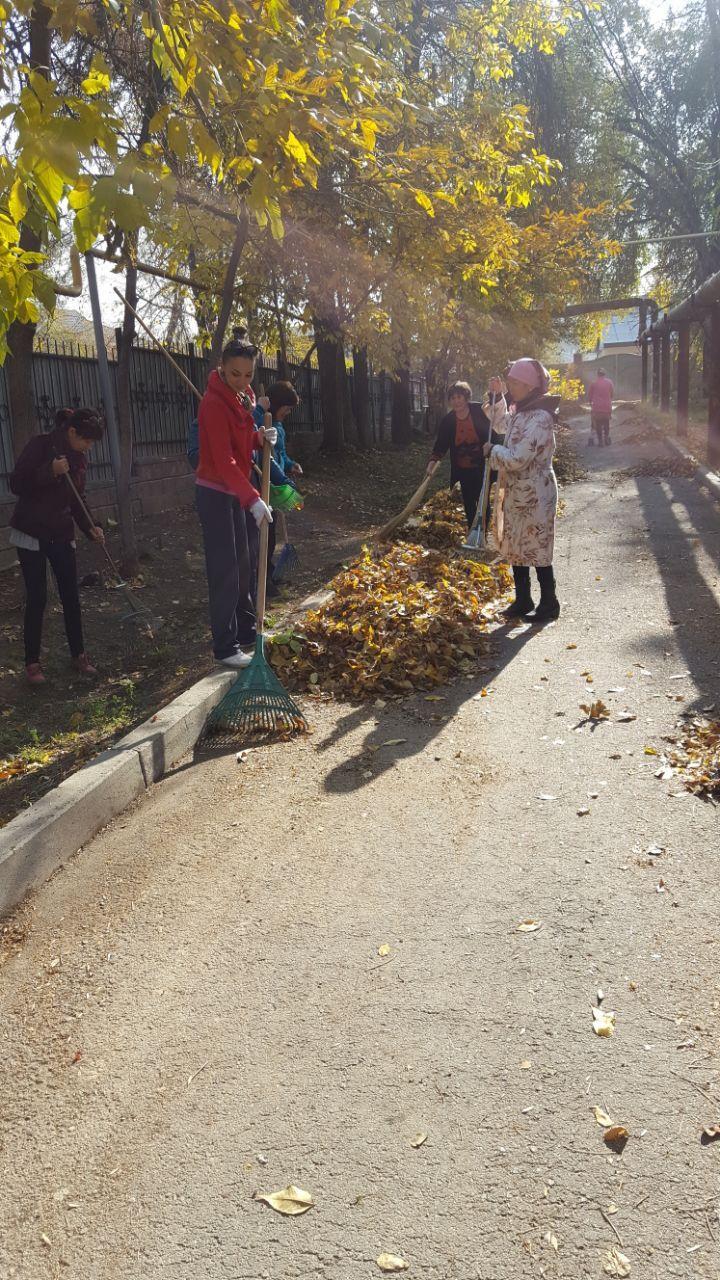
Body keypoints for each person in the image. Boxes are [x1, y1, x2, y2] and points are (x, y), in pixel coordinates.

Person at [195, 336, 277, 668]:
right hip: (215, 492)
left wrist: (259, 438)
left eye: (247, 374)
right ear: (222, 369)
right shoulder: (213, 404)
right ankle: (225, 647)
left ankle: (246, 632)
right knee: (225, 569)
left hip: (237, 490)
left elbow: (240, 443)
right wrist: (254, 498)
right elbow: (223, 459)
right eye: (234, 374)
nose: (241, 381)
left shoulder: (243, 398)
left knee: (244, 565)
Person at [9, 407, 106, 685]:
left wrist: (91, 527)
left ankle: (79, 655)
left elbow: (76, 499)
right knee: (37, 598)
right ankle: (32, 663)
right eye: (86, 441)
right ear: (72, 432)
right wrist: (49, 471)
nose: (88, 448)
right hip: (32, 532)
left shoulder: (78, 459)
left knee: (71, 596)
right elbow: (16, 483)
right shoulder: (41, 446)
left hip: (61, 534)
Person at [483, 359, 560, 623]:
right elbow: (501, 424)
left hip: (536, 492)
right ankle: (523, 598)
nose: (511, 387)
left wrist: (492, 451)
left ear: (528, 385)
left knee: (536, 544)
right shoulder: (522, 412)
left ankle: (549, 602)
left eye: (514, 383)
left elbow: (517, 458)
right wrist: (497, 396)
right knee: (516, 543)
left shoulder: (540, 417)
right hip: (517, 490)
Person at [426, 381, 505, 528]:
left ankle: (482, 532)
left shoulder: (479, 410)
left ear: (466, 397)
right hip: (462, 467)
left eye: (459, 397)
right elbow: (441, 444)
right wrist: (433, 461)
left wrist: (497, 395)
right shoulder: (448, 421)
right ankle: (472, 528)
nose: (456, 401)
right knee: (468, 500)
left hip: (483, 464)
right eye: (453, 398)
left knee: (483, 498)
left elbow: (495, 422)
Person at [588, 368, 614, 447]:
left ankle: (600, 441)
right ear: (604, 374)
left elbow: (590, 396)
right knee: (606, 422)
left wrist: (590, 404)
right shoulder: (609, 382)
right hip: (607, 406)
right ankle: (606, 438)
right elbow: (612, 394)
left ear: (597, 374)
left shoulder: (593, 383)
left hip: (597, 407)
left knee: (598, 424)